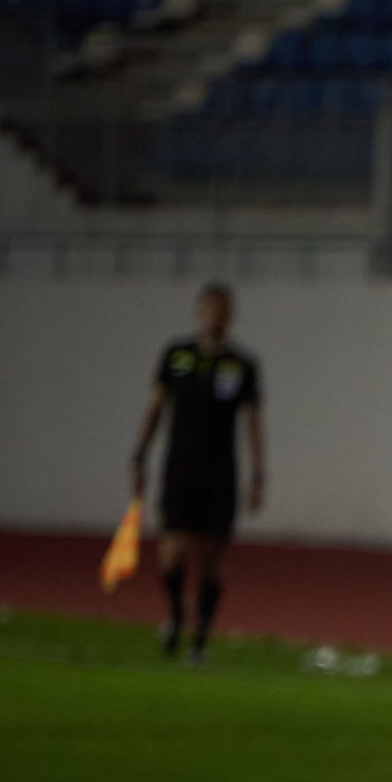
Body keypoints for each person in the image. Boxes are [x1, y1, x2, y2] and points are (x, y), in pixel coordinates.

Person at [127, 283, 265, 668]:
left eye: (224, 310)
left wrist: (258, 475)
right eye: (211, 309)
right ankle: (176, 613)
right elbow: (156, 407)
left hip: (220, 473)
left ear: (231, 316)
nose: (217, 316)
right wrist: (139, 456)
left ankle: (200, 637)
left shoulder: (242, 365)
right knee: (170, 554)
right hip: (180, 469)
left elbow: (254, 422)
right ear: (200, 312)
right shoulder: (177, 355)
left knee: (210, 559)